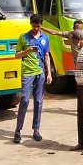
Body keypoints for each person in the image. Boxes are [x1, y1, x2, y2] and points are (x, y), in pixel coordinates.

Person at [13, 14, 52, 144]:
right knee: (24, 99)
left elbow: (46, 55)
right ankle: (18, 131)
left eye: (38, 26)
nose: (36, 28)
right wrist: (27, 51)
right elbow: (16, 55)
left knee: (38, 102)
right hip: (27, 73)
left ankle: (36, 130)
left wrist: (49, 73)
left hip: (40, 73)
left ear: (41, 25)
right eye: (34, 25)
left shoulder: (45, 38)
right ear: (30, 24)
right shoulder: (23, 37)